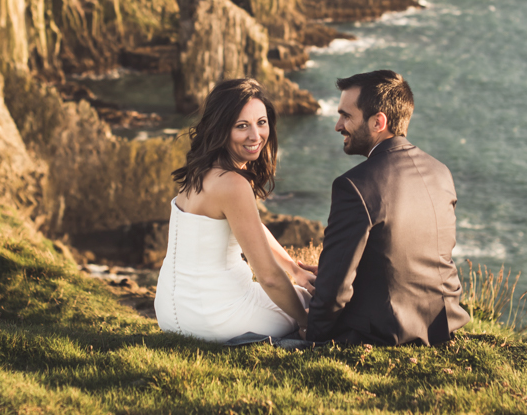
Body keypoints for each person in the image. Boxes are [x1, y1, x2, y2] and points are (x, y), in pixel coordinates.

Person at [301, 70, 470, 345]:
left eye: (346, 116)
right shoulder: (441, 173)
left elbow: (333, 293)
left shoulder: (354, 186)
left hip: (384, 332)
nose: (338, 125)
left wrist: (315, 335)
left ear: (378, 121)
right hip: (442, 325)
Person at [155, 78, 314, 342]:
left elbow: (251, 227)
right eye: (242, 126)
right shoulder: (233, 184)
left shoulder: (199, 170)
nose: (256, 136)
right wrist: (306, 321)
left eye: (261, 123)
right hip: (216, 318)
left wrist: (294, 269)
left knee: (298, 293)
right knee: (314, 303)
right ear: (221, 128)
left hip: (170, 314)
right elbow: (269, 278)